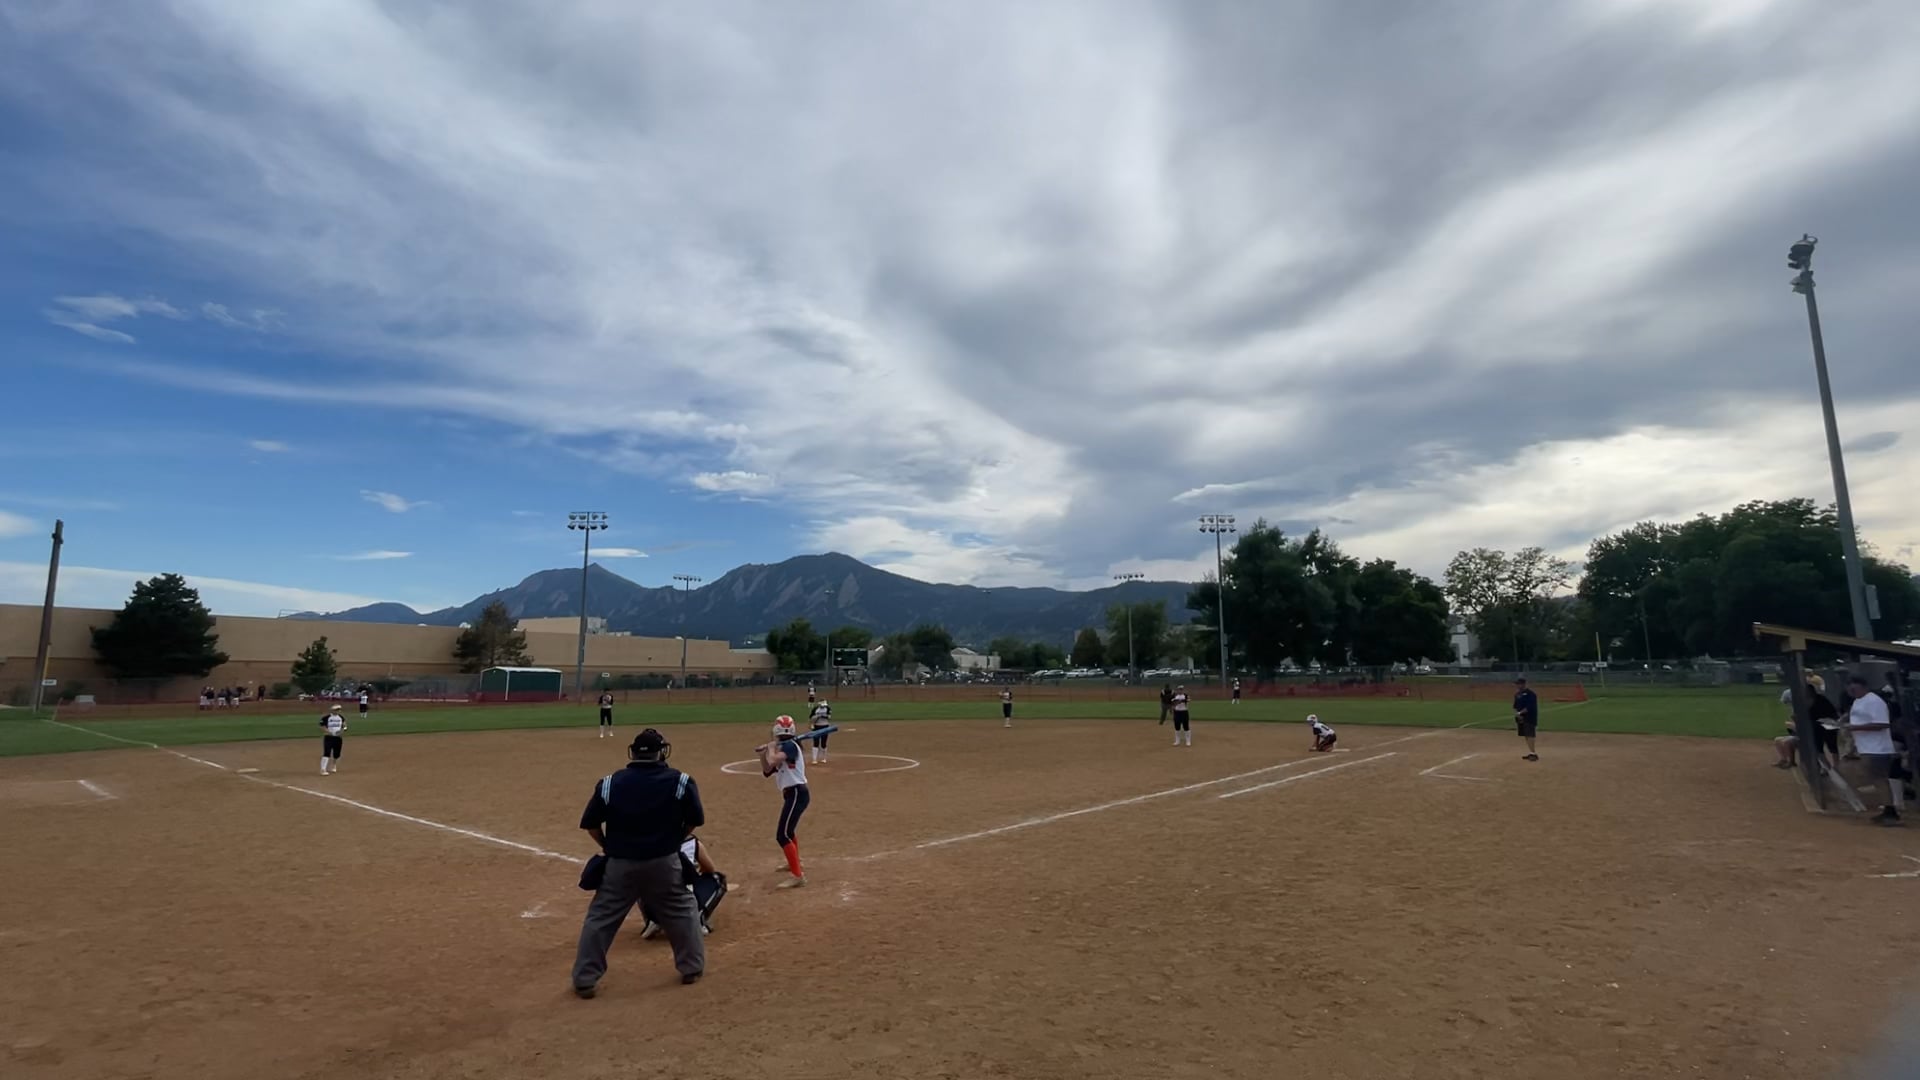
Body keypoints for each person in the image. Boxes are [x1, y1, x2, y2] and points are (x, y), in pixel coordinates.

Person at [572, 728, 707, 996]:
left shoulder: (609, 783)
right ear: (661, 753)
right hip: (664, 862)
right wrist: (674, 840)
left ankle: (585, 978)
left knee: (601, 918)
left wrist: (608, 846)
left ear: (633, 753)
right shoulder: (680, 781)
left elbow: (590, 824)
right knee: (682, 910)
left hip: (620, 863)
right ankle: (691, 968)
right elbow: (695, 820)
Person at [1845, 675, 1906, 826]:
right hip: (1866, 747)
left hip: (1877, 748)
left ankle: (1890, 811)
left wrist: (1855, 728)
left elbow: (1882, 724)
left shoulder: (1874, 701)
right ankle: (1888, 809)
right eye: (1850, 688)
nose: (1852, 691)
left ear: (1863, 686)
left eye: (1855, 687)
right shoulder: (1858, 701)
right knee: (1876, 779)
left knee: (1879, 779)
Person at [640, 834, 727, 939]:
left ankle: (653, 921)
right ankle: (698, 919)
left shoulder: (646, 842)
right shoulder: (691, 841)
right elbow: (710, 869)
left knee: (639, 878)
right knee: (718, 879)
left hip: (656, 906)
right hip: (684, 904)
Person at [758, 715, 810, 888]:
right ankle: (794, 862)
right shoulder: (784, 747)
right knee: (789, 831)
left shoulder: (790, 746)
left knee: (782, 835)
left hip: (797, 793)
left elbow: (773, 760)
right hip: (792, 794)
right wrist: (763, 754)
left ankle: (798, 876)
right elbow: (767, 770)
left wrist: (771, 748)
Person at [1773, 678, 1840, 771]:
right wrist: (1796, 719)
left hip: (1829, 726)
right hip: (1816, 728)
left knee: (1832, 747)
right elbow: (1804, 720)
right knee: (1818, 749)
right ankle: (1827, 768)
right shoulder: (1803, 703)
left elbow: (1832, 715)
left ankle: (1836, 766)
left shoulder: (1821, 700)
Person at [1513, 677, 1539, 761]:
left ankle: (1533, 754)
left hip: (1529, 717)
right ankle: (1531, 752)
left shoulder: (1531, 694)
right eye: (1517, 684)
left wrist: (1520, 713)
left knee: (1530, 734)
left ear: (1523, 684)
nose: (1517, 685)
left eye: (1519, 684)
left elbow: (1530, 707)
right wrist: (1518, 714)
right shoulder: (1517, 694)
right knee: (1526, 735)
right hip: (1521, 718)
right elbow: (1515, 706)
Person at [318, 704, 347, 775]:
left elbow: (344, 726)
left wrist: (342, 731)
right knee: (327, 752)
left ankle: (334, 765)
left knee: (337, 754)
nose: (338, 711)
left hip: (338, 737)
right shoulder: (327, 717)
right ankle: (323, 769)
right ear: (332, 710)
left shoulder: (341, 717)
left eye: (339, 710)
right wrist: (328, 732)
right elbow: (322, 725)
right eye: (336, 710)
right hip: (329, 737)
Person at [808, 699, 833, 763]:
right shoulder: (815, 709)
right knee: (816, 742)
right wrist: (812, 723)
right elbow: (811, 717)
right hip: (816, 726)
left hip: (825, 726)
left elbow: (829, 717)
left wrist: (822, 716)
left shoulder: (827, 708)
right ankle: (814, 759)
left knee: (823, 742)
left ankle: (823, 758)